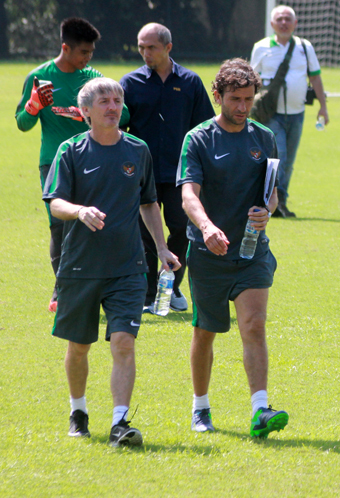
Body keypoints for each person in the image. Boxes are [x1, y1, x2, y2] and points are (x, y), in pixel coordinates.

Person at [42, 77, 179, 447]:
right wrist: (80, 210)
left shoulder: (138, 150)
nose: (112, 107)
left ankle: (120, 422)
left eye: (117, 100)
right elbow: (54, 201)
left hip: (128, 267)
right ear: (85, 111)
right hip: (80, 267)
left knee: (123, 342)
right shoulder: (70, 151)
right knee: (79, 346)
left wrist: (162, 249)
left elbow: (150, 203)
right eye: (103, 101)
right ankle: (78, 410)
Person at [178, 58, 287, 438]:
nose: (242, 107)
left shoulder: (264, 137)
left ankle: (260, 410)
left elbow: (270, 192)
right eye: (235, 99)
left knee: (254, 325)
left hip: (252, 250)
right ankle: (200, 407)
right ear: (218, 96)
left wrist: (266, 211)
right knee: (205, 332)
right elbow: (188, 194)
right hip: (209, 253)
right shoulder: (198, 139)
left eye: (248, 99)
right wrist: (206, 226)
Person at [16, 17, 129, 313]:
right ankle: (63, 288)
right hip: (53, 162)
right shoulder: (39, 77)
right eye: (83, 53)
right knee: (60, 227)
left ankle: (96, 288)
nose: (88, 58)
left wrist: (92, 115)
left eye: (91, 53)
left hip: (92, 160)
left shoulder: (92, 79)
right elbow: (22, 124)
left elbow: (124, 115)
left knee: (91, 224)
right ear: (65, 48)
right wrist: (34, 106)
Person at [120, 23, 215, 314]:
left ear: (168, 48)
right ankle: (149, 295)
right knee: (145, 234)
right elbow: (116, 127)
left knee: (182, 230)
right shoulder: (129, 83)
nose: (145, 53)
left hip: (181, 173)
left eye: (152, 47)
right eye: (141, 47)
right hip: (140, 174)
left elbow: (205, 128)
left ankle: (171, 286)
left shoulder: (190, 82)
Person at [250, 5, 328, 218]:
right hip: (270, 114)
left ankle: (280, 200)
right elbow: (250, 77)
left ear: (295, 24)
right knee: (280, 155)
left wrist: (323, 106)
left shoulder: (305, 47)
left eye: (288, 19)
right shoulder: (261, 47)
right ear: (272, 24)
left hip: (297, 113)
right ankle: (272, 200)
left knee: (289, 160)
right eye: (280, 19)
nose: (284, 23)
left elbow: (315, 77)